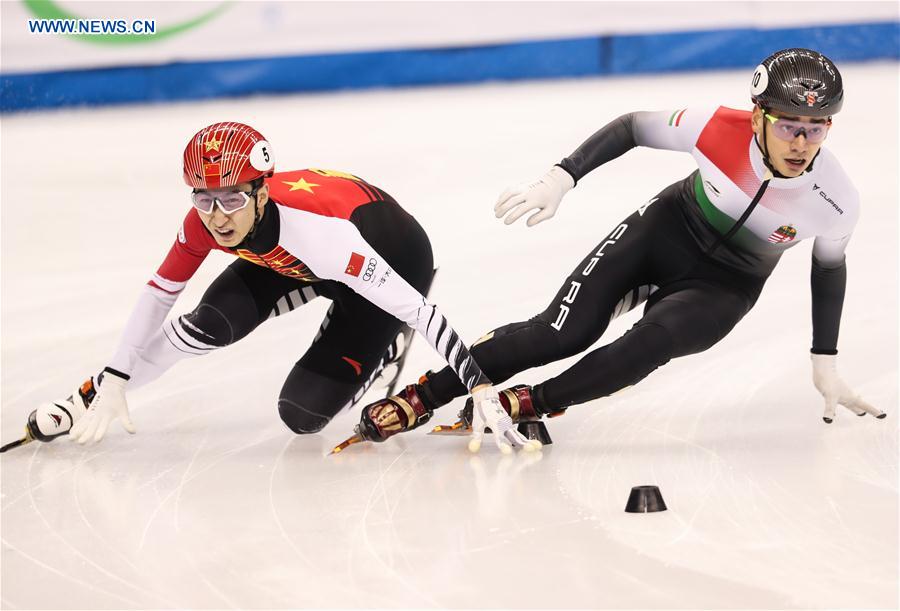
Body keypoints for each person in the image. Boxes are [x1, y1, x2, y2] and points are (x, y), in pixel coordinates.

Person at [342, 47, 886, 446]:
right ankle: (425, 395)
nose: (801, 143)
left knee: (648, 345)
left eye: (816, 129)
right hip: (667, 229)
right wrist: (561, 177)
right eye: (788, 126)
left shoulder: (835, 199)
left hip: (728, 283)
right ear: (758, 117)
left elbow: (828, 269)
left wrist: (825, 360)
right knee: (561, 332)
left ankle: (527, 402)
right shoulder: (717, 128)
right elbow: (631, 128)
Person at [11, 121, 540, 455]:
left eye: (232, 199)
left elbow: (422, 310)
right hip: (295, 262)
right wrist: (106, 383)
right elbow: (159, 295)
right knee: (205, 326)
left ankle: (386, 339)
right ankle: (82, 398)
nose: (217, 217)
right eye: (203, 198)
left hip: (387, 263)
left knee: (302, 416)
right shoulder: (209, 219)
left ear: (262, 193)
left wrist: (479, 387)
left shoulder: (322, 234)